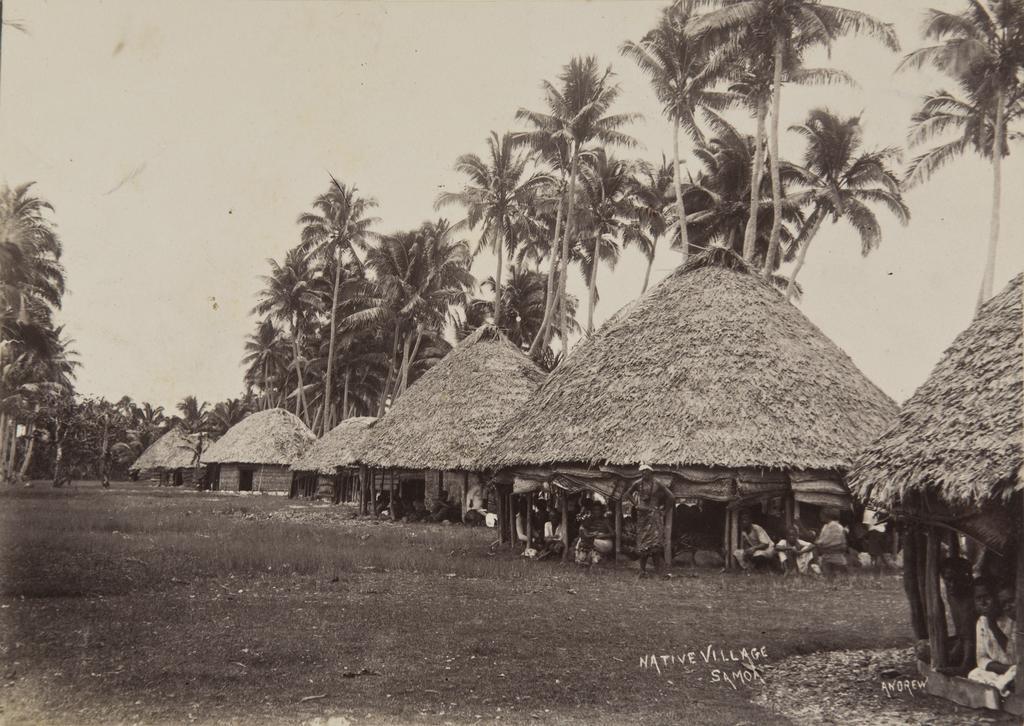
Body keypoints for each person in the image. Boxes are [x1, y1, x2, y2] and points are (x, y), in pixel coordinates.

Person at [967, 580, 1017, 695]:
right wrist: (1006, 670)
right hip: (1004, 671)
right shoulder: (981, 621)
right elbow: (981, 659)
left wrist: (992, 625)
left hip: (1017, 668)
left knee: (1016, 674)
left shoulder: (1012, 617)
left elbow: (1014, 656)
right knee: (974, 673)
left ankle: (1003, 688)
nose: (983, 602)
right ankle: (1005, 686)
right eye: (978, 599)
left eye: (986, 597)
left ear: (996, 598)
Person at [937, 556, 977, 675]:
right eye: (948, 580)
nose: (952, 584)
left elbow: (970, 635)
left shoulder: (973, 596)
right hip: (962, 641)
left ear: (966, 578)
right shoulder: (952, 595)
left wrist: (965, 665)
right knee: (922, 649)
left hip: (978, 645)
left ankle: (966, 665)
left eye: (956, 580)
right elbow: (962, 635)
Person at [813, 509, 849, 575]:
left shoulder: (831, 526)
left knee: (831, 574)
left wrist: (818, 543)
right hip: (834, 555)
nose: (820, 516)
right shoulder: (837, 526)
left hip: (831, 555)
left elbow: (823, 541)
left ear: (827, 515)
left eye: (821, 514)